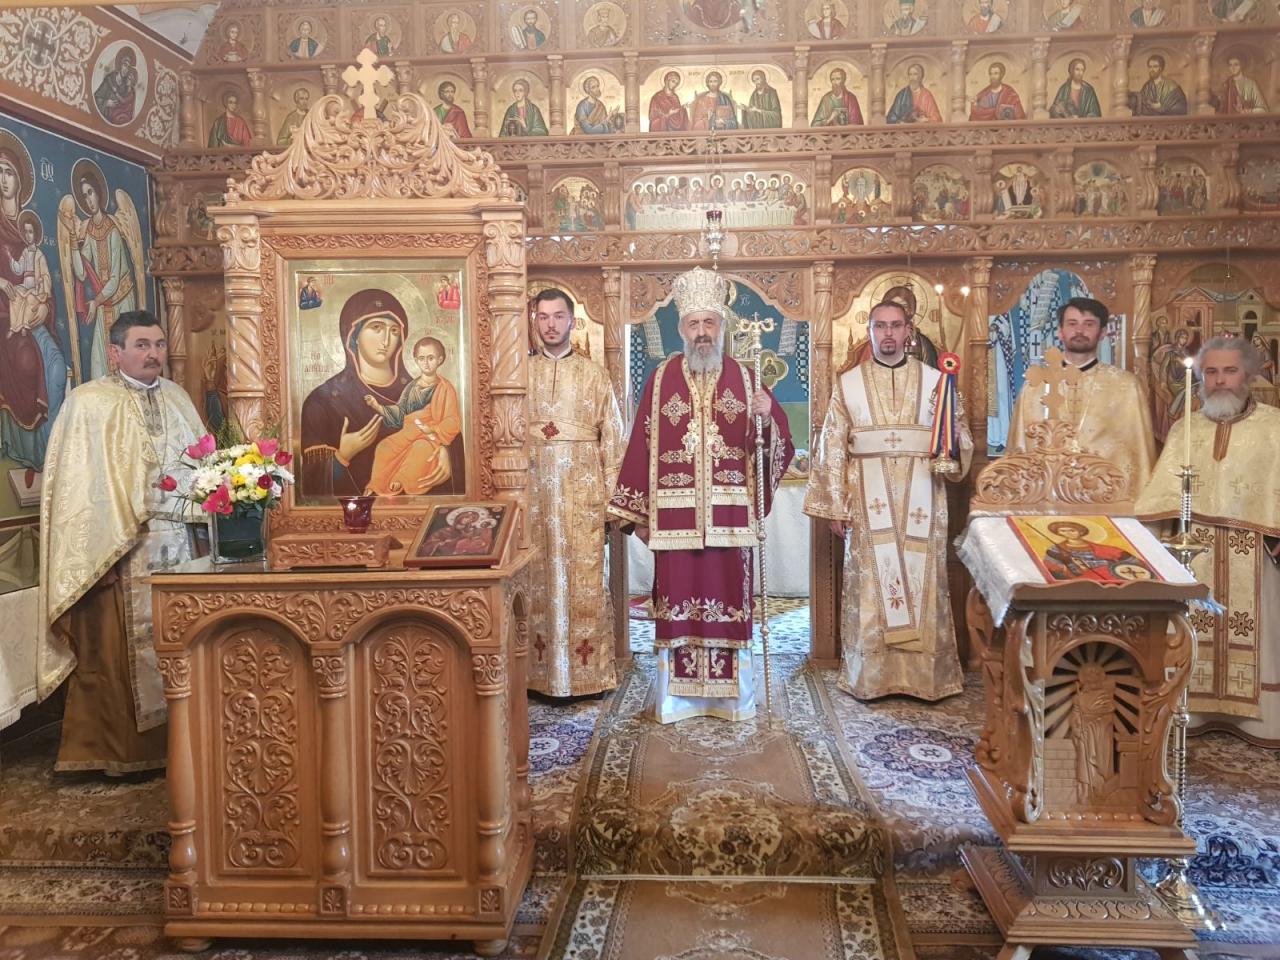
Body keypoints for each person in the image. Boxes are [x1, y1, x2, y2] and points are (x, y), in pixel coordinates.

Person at [608, 267, 793, 723]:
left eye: (710, 322)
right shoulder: (660, 380)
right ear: (681, 329)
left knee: (728, 602)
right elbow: (641, 445)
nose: (702, 332)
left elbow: (775, 447)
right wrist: (637, 514)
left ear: (722, 326)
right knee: (678, 608)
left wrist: (768, 418)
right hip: (675, 523)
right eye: (694, 324)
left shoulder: (747, 379)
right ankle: (677, 701)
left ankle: (732, 700)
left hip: (731, 522)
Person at [37, 311, 206, 774]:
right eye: (141, 345)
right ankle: (121, 754)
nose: (153, 354)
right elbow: (76, 486)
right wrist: (95, 554)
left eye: (158, 344)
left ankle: (188, 747)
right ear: (115, 353)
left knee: (182, 646)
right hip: (122, 552)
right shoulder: (89, 403)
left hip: (181, 549)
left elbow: (203, 468)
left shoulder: (178, 397)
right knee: (115, 657)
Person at [804, 300, 971, 701]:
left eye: (896, 325)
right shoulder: (848, 384)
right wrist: (835, 505)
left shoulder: (937, 383)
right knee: (871, 589)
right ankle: (871, 677)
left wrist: (954, 446)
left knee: (922, 581)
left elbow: (959, 434)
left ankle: (926, 678)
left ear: (909, 330)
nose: (889, 333)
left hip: (923, 494)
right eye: (880, 326)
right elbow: (832, 445)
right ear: (870, 332)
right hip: (866, 498)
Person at [1136, 336, 1280, 746]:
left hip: (1255, 549)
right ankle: (1193, 712)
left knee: (1263, 634)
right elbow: (1161, 495)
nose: (1219, 381)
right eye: (1211, 372)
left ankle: (1261, 722)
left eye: (1229, 371)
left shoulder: (1274, 426)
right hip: (1193, 548)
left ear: (1248, 374)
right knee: (1191, 628)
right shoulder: (1186, 427)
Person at [526, 289, 625, 698]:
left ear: (571, 321)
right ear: (535, 321)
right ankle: (537, 675)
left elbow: (613, 439)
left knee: (585, 582)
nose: (550, 325)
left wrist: (615, 504)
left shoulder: (594, 374)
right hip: (533, 500)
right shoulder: (521, 374)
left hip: (583, 496)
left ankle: (589, 677)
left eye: (558, 316)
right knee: (535, 582)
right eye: (543, 317)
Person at [1006, 298, 1156, 501]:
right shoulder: (1035, 386)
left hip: (1106, 497)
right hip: (1045, 498)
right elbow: (1020, 448)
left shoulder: (1126, 386)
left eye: (1089, 324)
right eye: (1072, 323)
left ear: (1102, 332)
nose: (1079, 330)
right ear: (1060, 331)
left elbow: (1137, 455)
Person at [299, 288, 414, 497]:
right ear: (353, 336)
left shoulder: (421, 393)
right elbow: (310, 487)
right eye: (376, 327)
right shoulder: (323, 402)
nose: (386, 340)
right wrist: (342, 456)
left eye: (394, 331)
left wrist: (443, 453)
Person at [62, 164, 140, 383]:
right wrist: (74, 242)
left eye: (90, 193)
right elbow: (81, 273)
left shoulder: (113, 229)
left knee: (125, 360)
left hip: (121, 301)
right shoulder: (89, 231)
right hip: (104, 301)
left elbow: (114, 278)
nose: (88, 200)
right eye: (84, 196)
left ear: (99, 193)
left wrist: (95, 302)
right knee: (100, 365)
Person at [365, 336, 461, 496]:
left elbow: (452, 420)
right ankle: (377, 483)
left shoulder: (445, 388)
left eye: (431, 358)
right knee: (384, 446)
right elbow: (400, 412)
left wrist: (432, 428)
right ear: (416, 360)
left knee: (420, 448)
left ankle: (400, 479)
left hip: (430, 437)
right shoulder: (411, 387)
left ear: (440, 360)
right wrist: (377, 406)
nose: (426, 363)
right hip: (409, 432)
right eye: (422, 358)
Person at [1039, 520, 1150, 582]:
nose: (1068, 533)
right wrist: (1074, 566)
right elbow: (1052, 567)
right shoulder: (1055, 550)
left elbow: (1134, 562)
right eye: (1063, 531)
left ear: (1080, 532)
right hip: (1082, 581)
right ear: (1059, 533)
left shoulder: (1104, 548)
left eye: (1072, 530)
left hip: (1111, 576)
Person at [420, 507, 496, 557]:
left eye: (471, 519)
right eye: (466, 517)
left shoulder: (471, 531)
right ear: (459, 517)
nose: (468, 520)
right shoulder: (445, 531)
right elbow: (430, 543)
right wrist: (446, 543)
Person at [94, 47, 139, 126]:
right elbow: (96, 98)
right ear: (120, 65)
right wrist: (106, 103)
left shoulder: (127, 85)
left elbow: (127, 104)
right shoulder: (109, 79)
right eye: (125, 65)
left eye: (128, 67)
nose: (126, 69)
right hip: (104, 119)